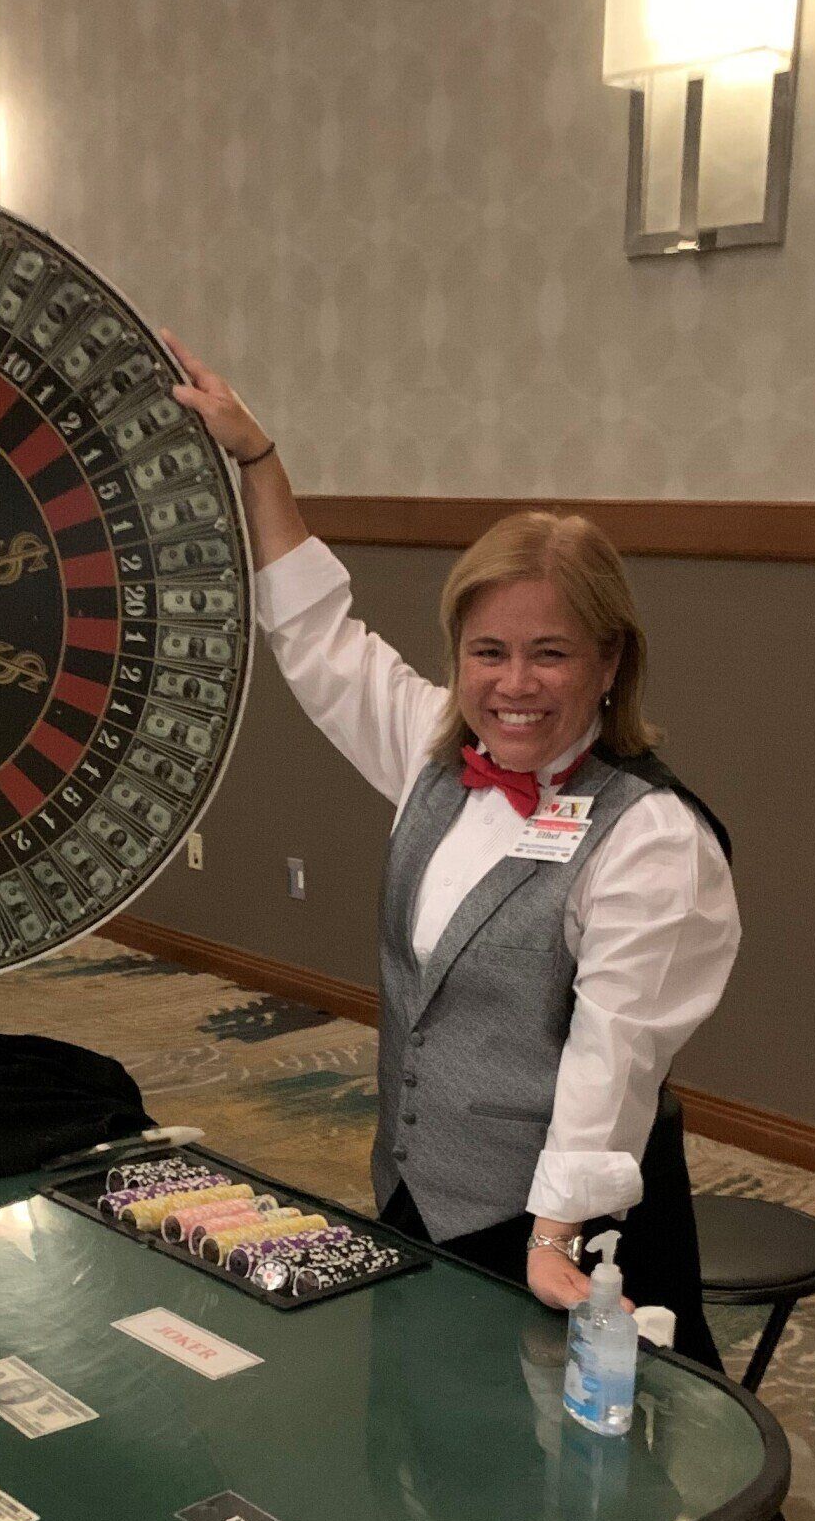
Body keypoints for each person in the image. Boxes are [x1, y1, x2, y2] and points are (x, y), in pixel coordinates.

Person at [165, 337, 739, 1368]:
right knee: (424, 1437)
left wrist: (555, 1228)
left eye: (550, 652)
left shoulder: (652, 838)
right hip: (415, 1192)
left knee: (573, 1493)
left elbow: (616, 1056)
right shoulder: (437, 757)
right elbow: (321, 639)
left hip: (563, 1230)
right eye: (489, 651)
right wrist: (259, 462)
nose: (514, 683)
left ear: (610, 661)